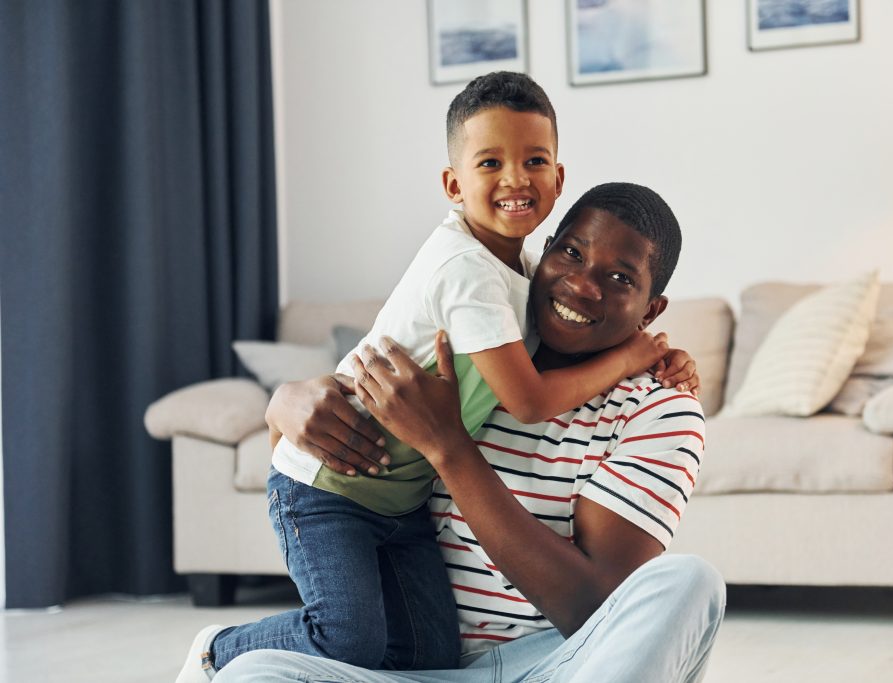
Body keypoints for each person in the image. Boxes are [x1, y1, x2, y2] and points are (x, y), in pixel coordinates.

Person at [177, 74, 696, 681]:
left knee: (427, 652)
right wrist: (284, 402)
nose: (580, 285)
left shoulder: (524, 276)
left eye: (533, 161)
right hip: (340, 488)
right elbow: (527, 402)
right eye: (490, 162)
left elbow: (598, 608)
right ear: (454, 185)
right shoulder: (470, 274)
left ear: (557, 179)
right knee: (336, 641)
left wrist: (652, 358)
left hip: (412, 517)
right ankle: (221, 650)